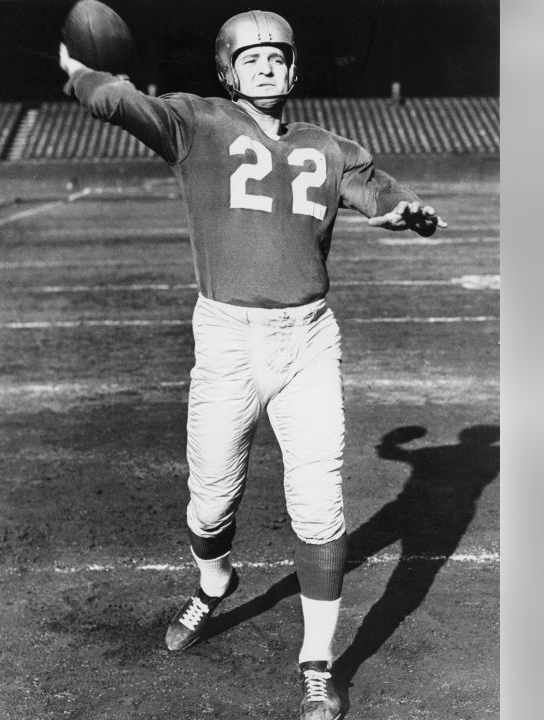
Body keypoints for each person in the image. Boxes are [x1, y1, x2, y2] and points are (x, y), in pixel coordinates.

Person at [58, 10, 445, 720]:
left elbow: (377, 188)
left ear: (294, 69)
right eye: (251, 57)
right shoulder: (194, 123)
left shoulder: (328, 146)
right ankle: (215, 584)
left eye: (277, 56)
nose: (265, 66)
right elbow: (119, 101)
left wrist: (404, 210)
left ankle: (318, 667)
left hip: (308, 339)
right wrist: (81, 72)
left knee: (321, 501)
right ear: (227, 71)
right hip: (228, 340)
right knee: (210, 506)